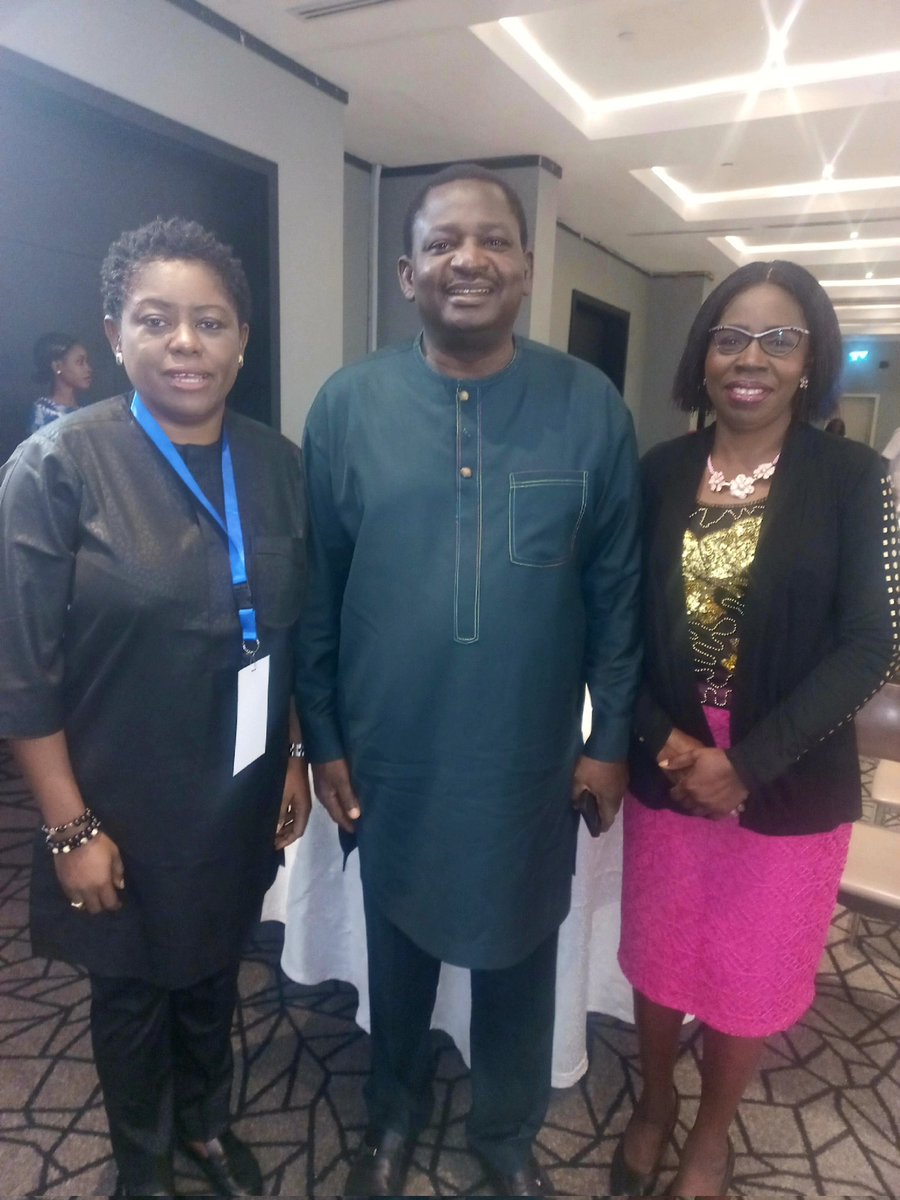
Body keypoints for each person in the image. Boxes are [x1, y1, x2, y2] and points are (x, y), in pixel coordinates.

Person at [295, 164, 641, 1198]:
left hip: (528, 750)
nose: (469, 260)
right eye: (444, 243)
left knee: (521, 954)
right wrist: (324, 738)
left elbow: (617, 592)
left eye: (493, 240)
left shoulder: (589, 406)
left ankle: (503, 1139)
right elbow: (319, 591)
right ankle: (391, 1120)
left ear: (528, 266)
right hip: (391, 748)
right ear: (407, 272)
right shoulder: (348, 405)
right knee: (397, 944)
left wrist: (610, 734)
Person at [0, 218, 310, 1198]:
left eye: (210, 322)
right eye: (157, 319)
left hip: (241, 781)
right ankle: (142, 1159)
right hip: (118, 797)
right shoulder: (57, 468)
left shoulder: (277, 463)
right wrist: (69, 826)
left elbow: (295, 627)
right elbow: (21, 671)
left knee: (215, 965)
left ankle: (206, 1126)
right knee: (133, 988)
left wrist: (293, 754)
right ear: (115, 331)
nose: (186, 342)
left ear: (242, 341)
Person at [613, 260, 900, 1197]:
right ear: (702, 356)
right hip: (672, 766)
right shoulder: (658, 472)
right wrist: (665, 744)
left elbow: (867, 646)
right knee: (661, 957)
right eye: (732, 337)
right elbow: (617, 629)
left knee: (750, 971)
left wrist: (748, 763)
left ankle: (710, 1132)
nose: (753, 360)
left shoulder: (851, 477)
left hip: (787, 775)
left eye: (781, 340)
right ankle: (653, 1103)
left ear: (810, 360)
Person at [29, 330, 92, 432]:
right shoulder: (43, 411)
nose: (88, 368)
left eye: (86, 362)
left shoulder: (85, 412)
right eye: (80, 362)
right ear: (57, 366)